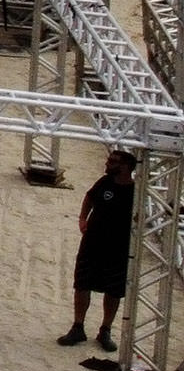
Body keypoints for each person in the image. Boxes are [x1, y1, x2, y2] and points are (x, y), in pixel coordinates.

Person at [60, 149, 139, 352]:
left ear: (126, 167)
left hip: (119, 248)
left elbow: (140, 218)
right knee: (82, 284)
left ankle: (105, 330)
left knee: (113, 290)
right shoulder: (105, 182)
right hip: (92, 242)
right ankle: (78, 327)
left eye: (113, 161)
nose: (107, 163)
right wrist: (82, 218)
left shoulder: (135, 191)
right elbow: (89, 197)